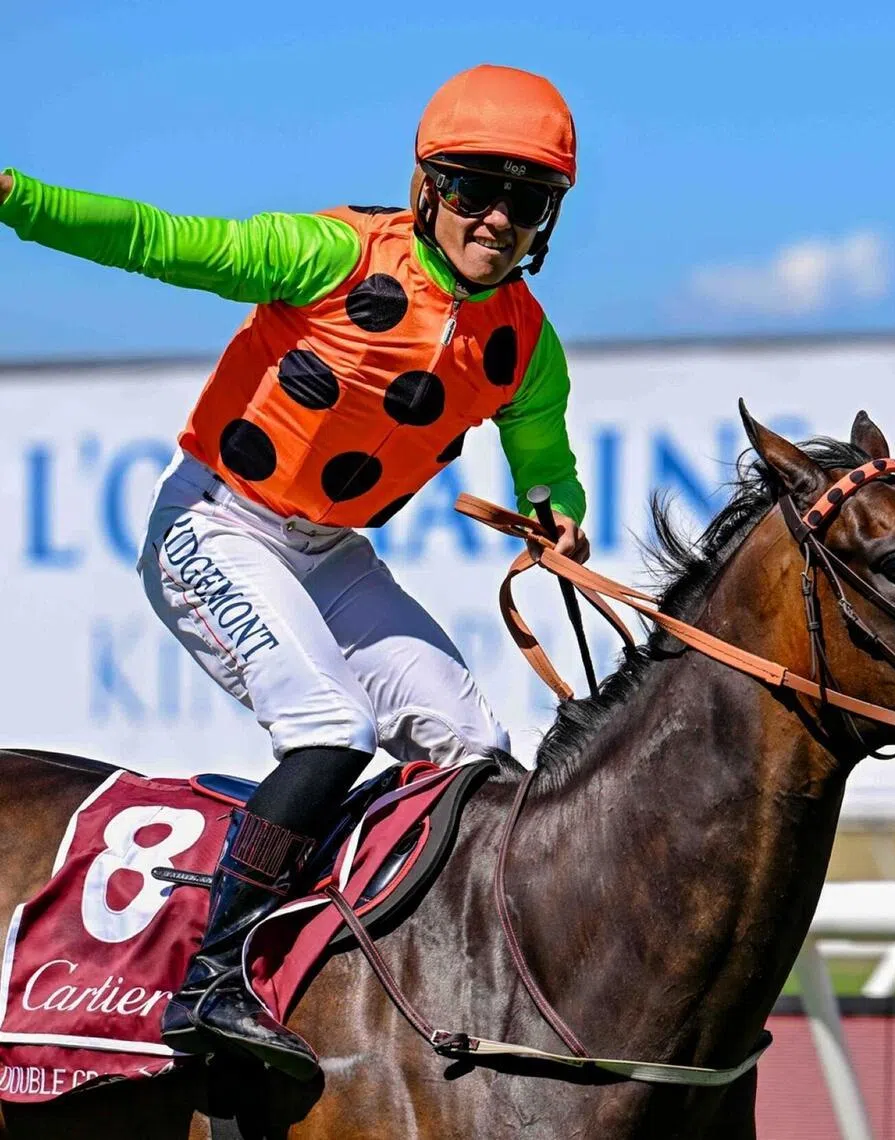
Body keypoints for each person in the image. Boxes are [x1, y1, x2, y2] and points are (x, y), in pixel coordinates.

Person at [0, 63, 589, 1080]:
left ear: (548, 217)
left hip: (329, 555)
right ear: (426, 188)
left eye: (524, 199)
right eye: (472, 188)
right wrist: (15, 197)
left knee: (474, 749)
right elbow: (153, 239)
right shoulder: (327, 254)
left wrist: (561, 514)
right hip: (216, 524)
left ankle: (386, 969)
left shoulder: (528, 344)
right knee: (330, 728)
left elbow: (547, 456)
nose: (496, 217)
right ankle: (213, 979)